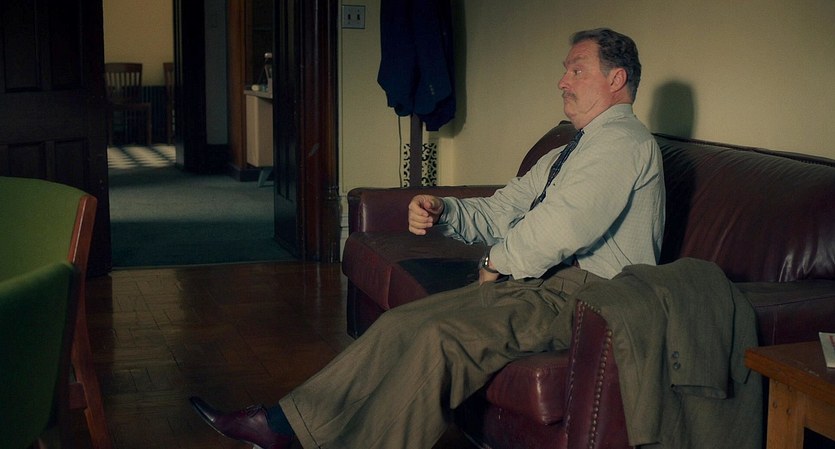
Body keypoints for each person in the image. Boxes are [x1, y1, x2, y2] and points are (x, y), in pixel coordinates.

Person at [190, 28, 665, 449]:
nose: (562, 81)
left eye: (576, 70)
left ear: (616, 79)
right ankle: (281, 424)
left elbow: (561, 228)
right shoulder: (573, 148)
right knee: (401, 324)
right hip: (546, 286)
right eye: (565, 70)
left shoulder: (622, 142)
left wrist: (495, 262)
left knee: (437, 339)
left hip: (591, 300)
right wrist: (445, 210)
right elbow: (506, 206)